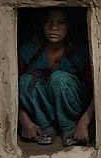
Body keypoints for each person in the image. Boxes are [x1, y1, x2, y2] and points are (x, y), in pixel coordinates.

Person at [18, 8, 94, 146]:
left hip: (75, 108)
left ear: (69, 26)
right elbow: (9, 89)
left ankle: (69, 128)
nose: (53, 27)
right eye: (48, 21)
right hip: (41, 111)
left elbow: (98, 91)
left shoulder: (79, 52)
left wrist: (84, 122)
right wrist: (24, 121)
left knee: (58, 78)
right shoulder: (30, 49)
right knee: (25, 81)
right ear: (41, 24)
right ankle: (44, 128)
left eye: (61, 22)